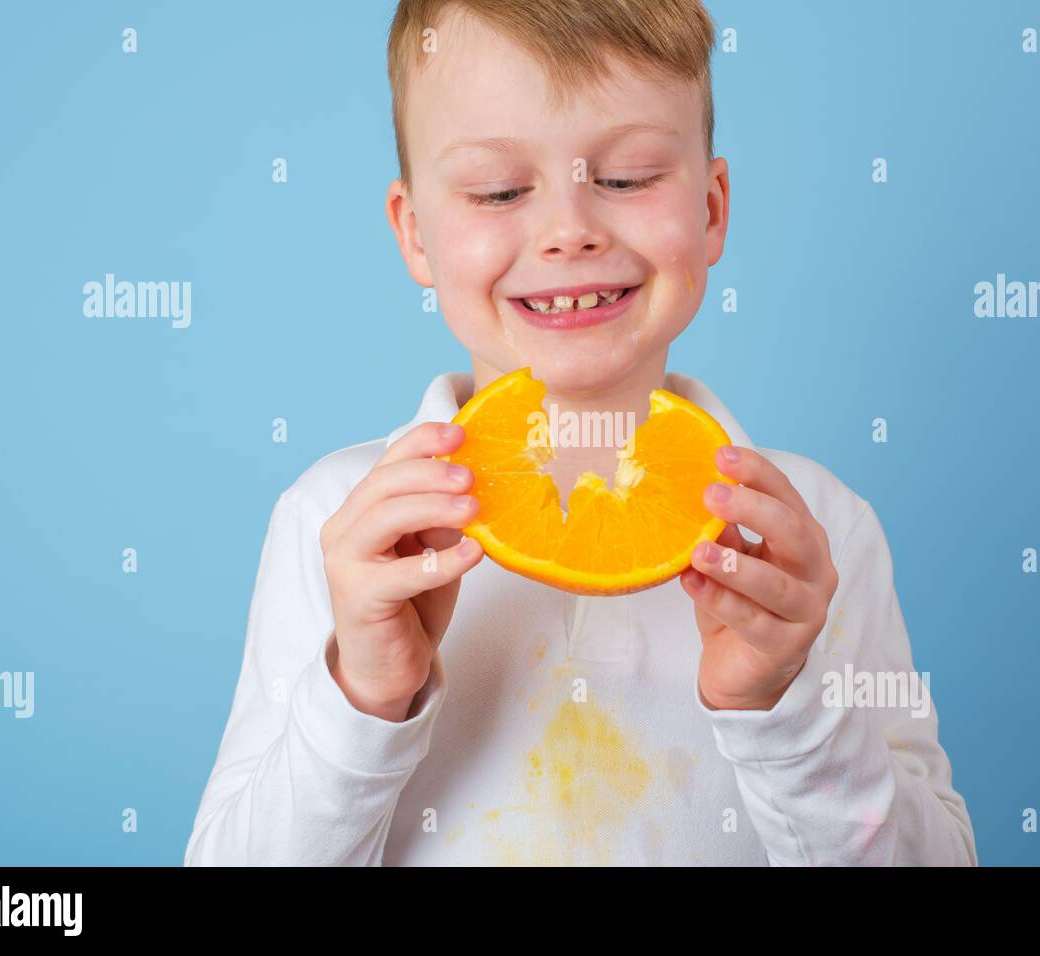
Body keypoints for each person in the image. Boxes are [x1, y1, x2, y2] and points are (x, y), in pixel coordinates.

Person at [184, 0, 978, 866]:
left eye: (630, 177)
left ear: (712, 210)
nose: (569, 231)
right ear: (415, 233)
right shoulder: (338, 527)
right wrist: (363, 695)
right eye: (499, 190)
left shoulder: (813, 535)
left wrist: (785, 706)